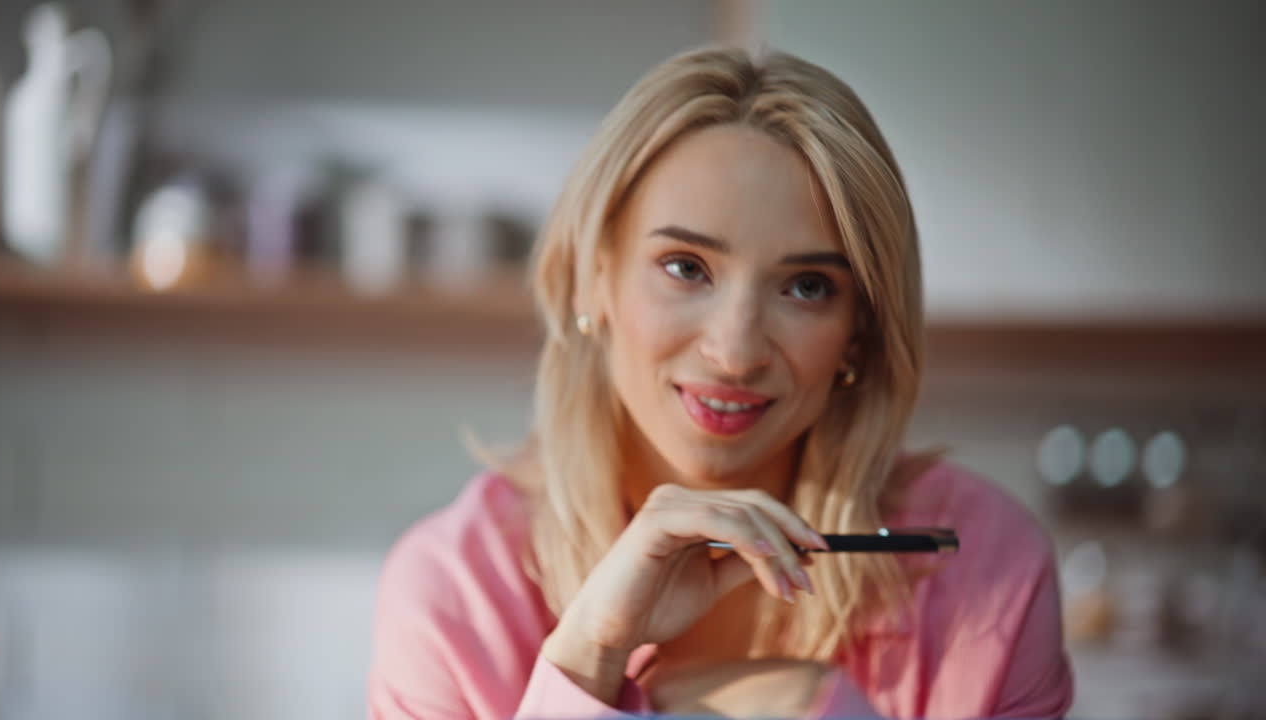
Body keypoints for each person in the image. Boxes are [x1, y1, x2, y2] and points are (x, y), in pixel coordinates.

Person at [367, 46, 1073, 719]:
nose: (735, 353)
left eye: (806, 286)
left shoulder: (986, 570)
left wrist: (817, 706)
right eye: (685, 268)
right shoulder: (453, 592)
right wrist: (587, 659)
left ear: (859, 326)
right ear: (594, 275)